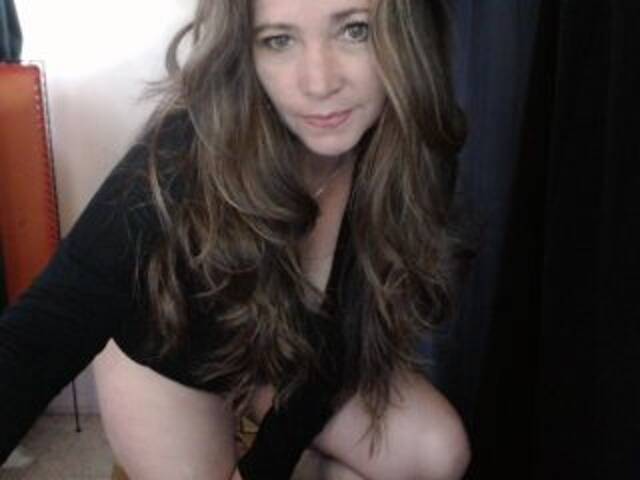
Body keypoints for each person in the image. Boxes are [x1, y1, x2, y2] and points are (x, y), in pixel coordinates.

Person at [0, 0, 474, 478]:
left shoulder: (416, 146)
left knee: (438, 450)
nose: (319, 83)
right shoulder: (180, 158)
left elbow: (344, 337)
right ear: (243, 51)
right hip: (175, 351)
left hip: (287, 351)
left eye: (355, 30)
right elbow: (43, 333)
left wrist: (268, 460)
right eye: (278, 40)